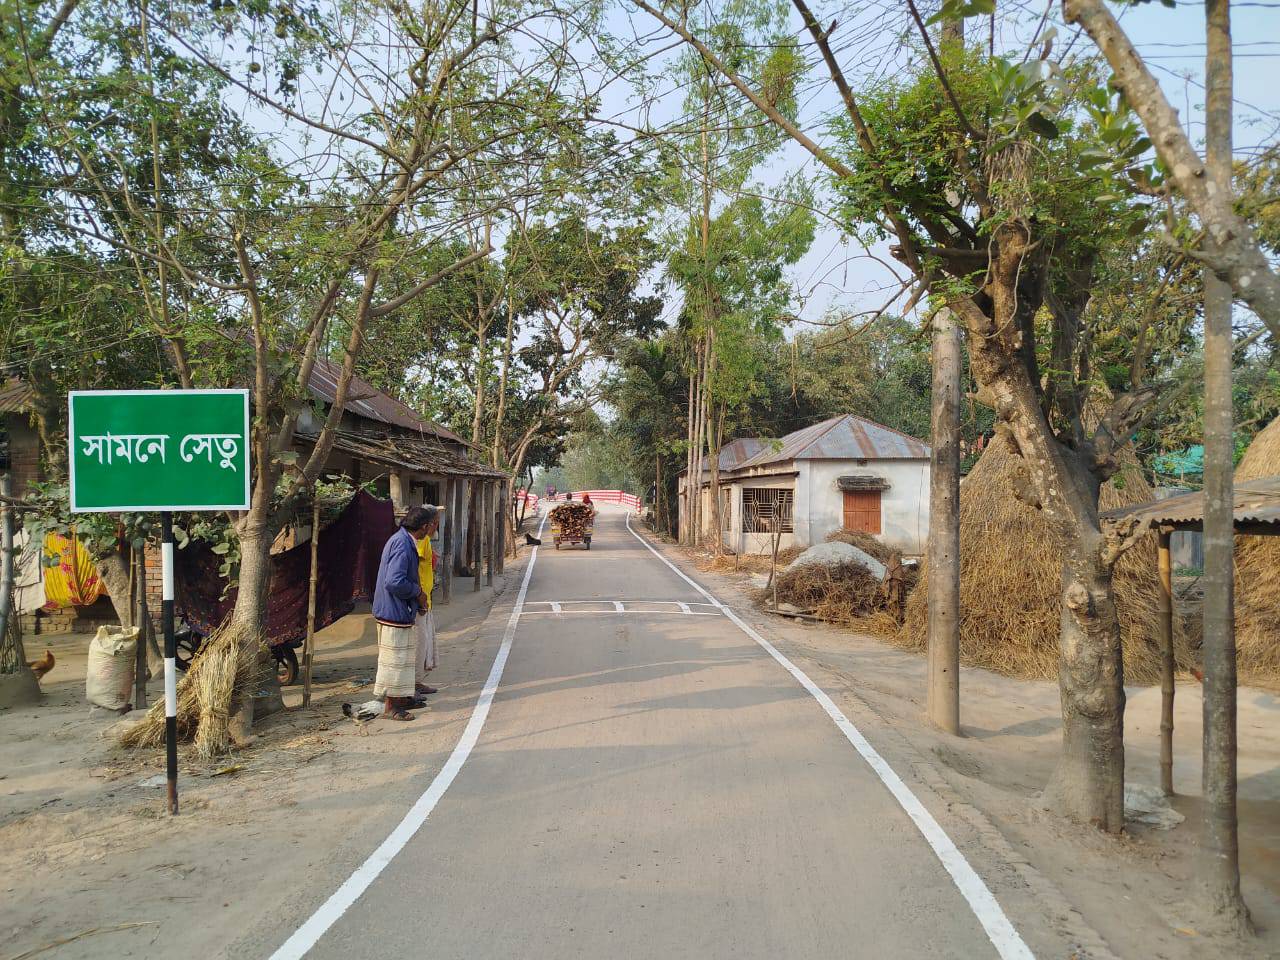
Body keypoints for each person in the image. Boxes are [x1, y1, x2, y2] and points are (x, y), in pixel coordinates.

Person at [372, 506, 434, 721]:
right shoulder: (402, 544)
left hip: (398, 610)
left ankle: (402, 698)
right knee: (395, 660)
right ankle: (391, 706)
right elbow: (394, 581)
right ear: (424, 526)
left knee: (404, 657)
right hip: (393, 611)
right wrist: (418, 593)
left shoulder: (403, 540)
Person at [414, 505, 444, 697]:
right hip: (420, 599)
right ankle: (413, 683)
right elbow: (414, 566)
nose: (436, 527)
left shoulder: (425, 541)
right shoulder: (421, 540)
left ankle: (417, 681)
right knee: (419, 644)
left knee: (424, 644)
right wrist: (420, 596)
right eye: (436, 523)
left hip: (425, 598)